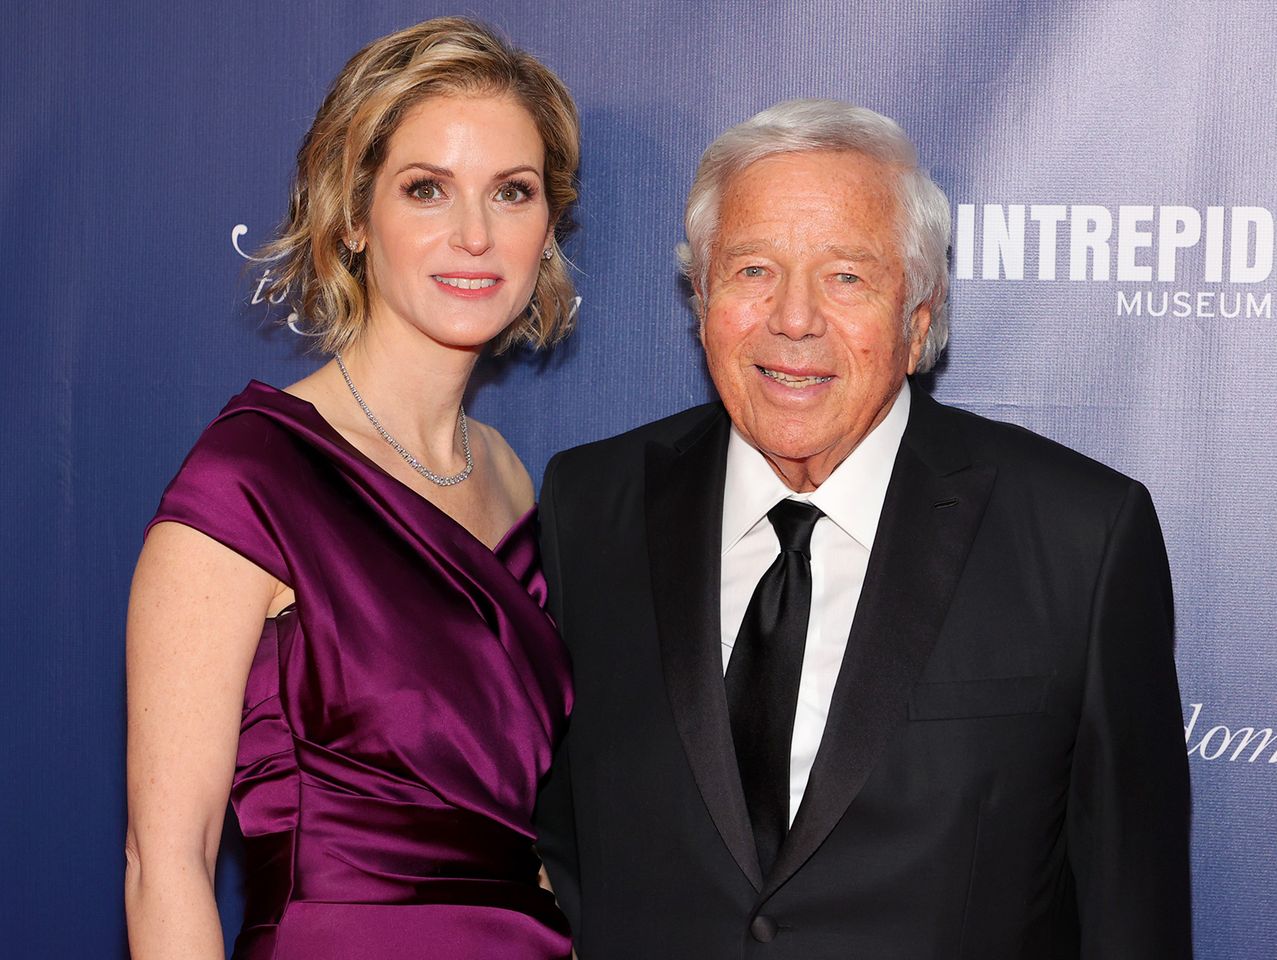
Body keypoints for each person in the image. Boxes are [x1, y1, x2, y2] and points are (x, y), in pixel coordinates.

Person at [534, 99, 1191, 959]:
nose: (794, 318)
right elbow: (565, 845)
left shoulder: (1080, 537)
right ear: (700, 298)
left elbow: (1128, 914)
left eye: (846, 276)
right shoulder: (590, 505)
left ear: (918, 320)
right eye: (752, 270)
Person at [124, 18, 579, 960]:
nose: (475, 234)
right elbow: (164, 864)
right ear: (352, 218)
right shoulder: (249, 479)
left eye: (512, 192)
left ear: (547, 227)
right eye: (426, 190)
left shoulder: (505, 473)